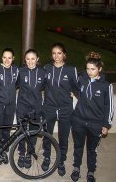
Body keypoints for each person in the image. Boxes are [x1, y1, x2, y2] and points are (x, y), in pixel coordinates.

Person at [70, 52, 114, 182]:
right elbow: (75, 88)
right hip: (79, 120)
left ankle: (91, 171)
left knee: (92, 150)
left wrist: (106, 124)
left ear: (99, 69)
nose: (90, 72)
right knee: (78, 147)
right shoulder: (81, 79)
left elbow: (109, 106)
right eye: (88, 68)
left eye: (93, 69)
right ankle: (76, 168)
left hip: (96, 124)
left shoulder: (106, 86)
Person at [42, 43, 79, 176]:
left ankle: (61, 160)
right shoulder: (46, 68)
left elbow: (77, 88)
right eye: (54, 53)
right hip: (49, 107)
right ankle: (47, 157)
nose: (56, 56)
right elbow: (40, 85)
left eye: (59, 53)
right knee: (47, 135)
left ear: (64, 54)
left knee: (63, 137)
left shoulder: (71, 69)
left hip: (65, 109)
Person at [15, 49, 47, 169]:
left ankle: (29, 153)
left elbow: (45, 86)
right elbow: (16, 84)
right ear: (25, 60)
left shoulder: (43, 72)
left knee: (33, 131)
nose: (30, 61)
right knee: (21, 130)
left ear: (37, 59)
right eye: (27, 59)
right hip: (22, 105)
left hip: (36, 106)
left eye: (33, 59)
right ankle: (21, 153)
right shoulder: (20, 71)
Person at [0, 48, 19, 150]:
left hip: (11, 105)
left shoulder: (16, 70)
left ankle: (5, 145)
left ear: (13, 58)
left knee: (7, 128)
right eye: (4, 57)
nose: (7, 60)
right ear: (1, 58)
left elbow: (19, 84)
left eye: (9, 58)